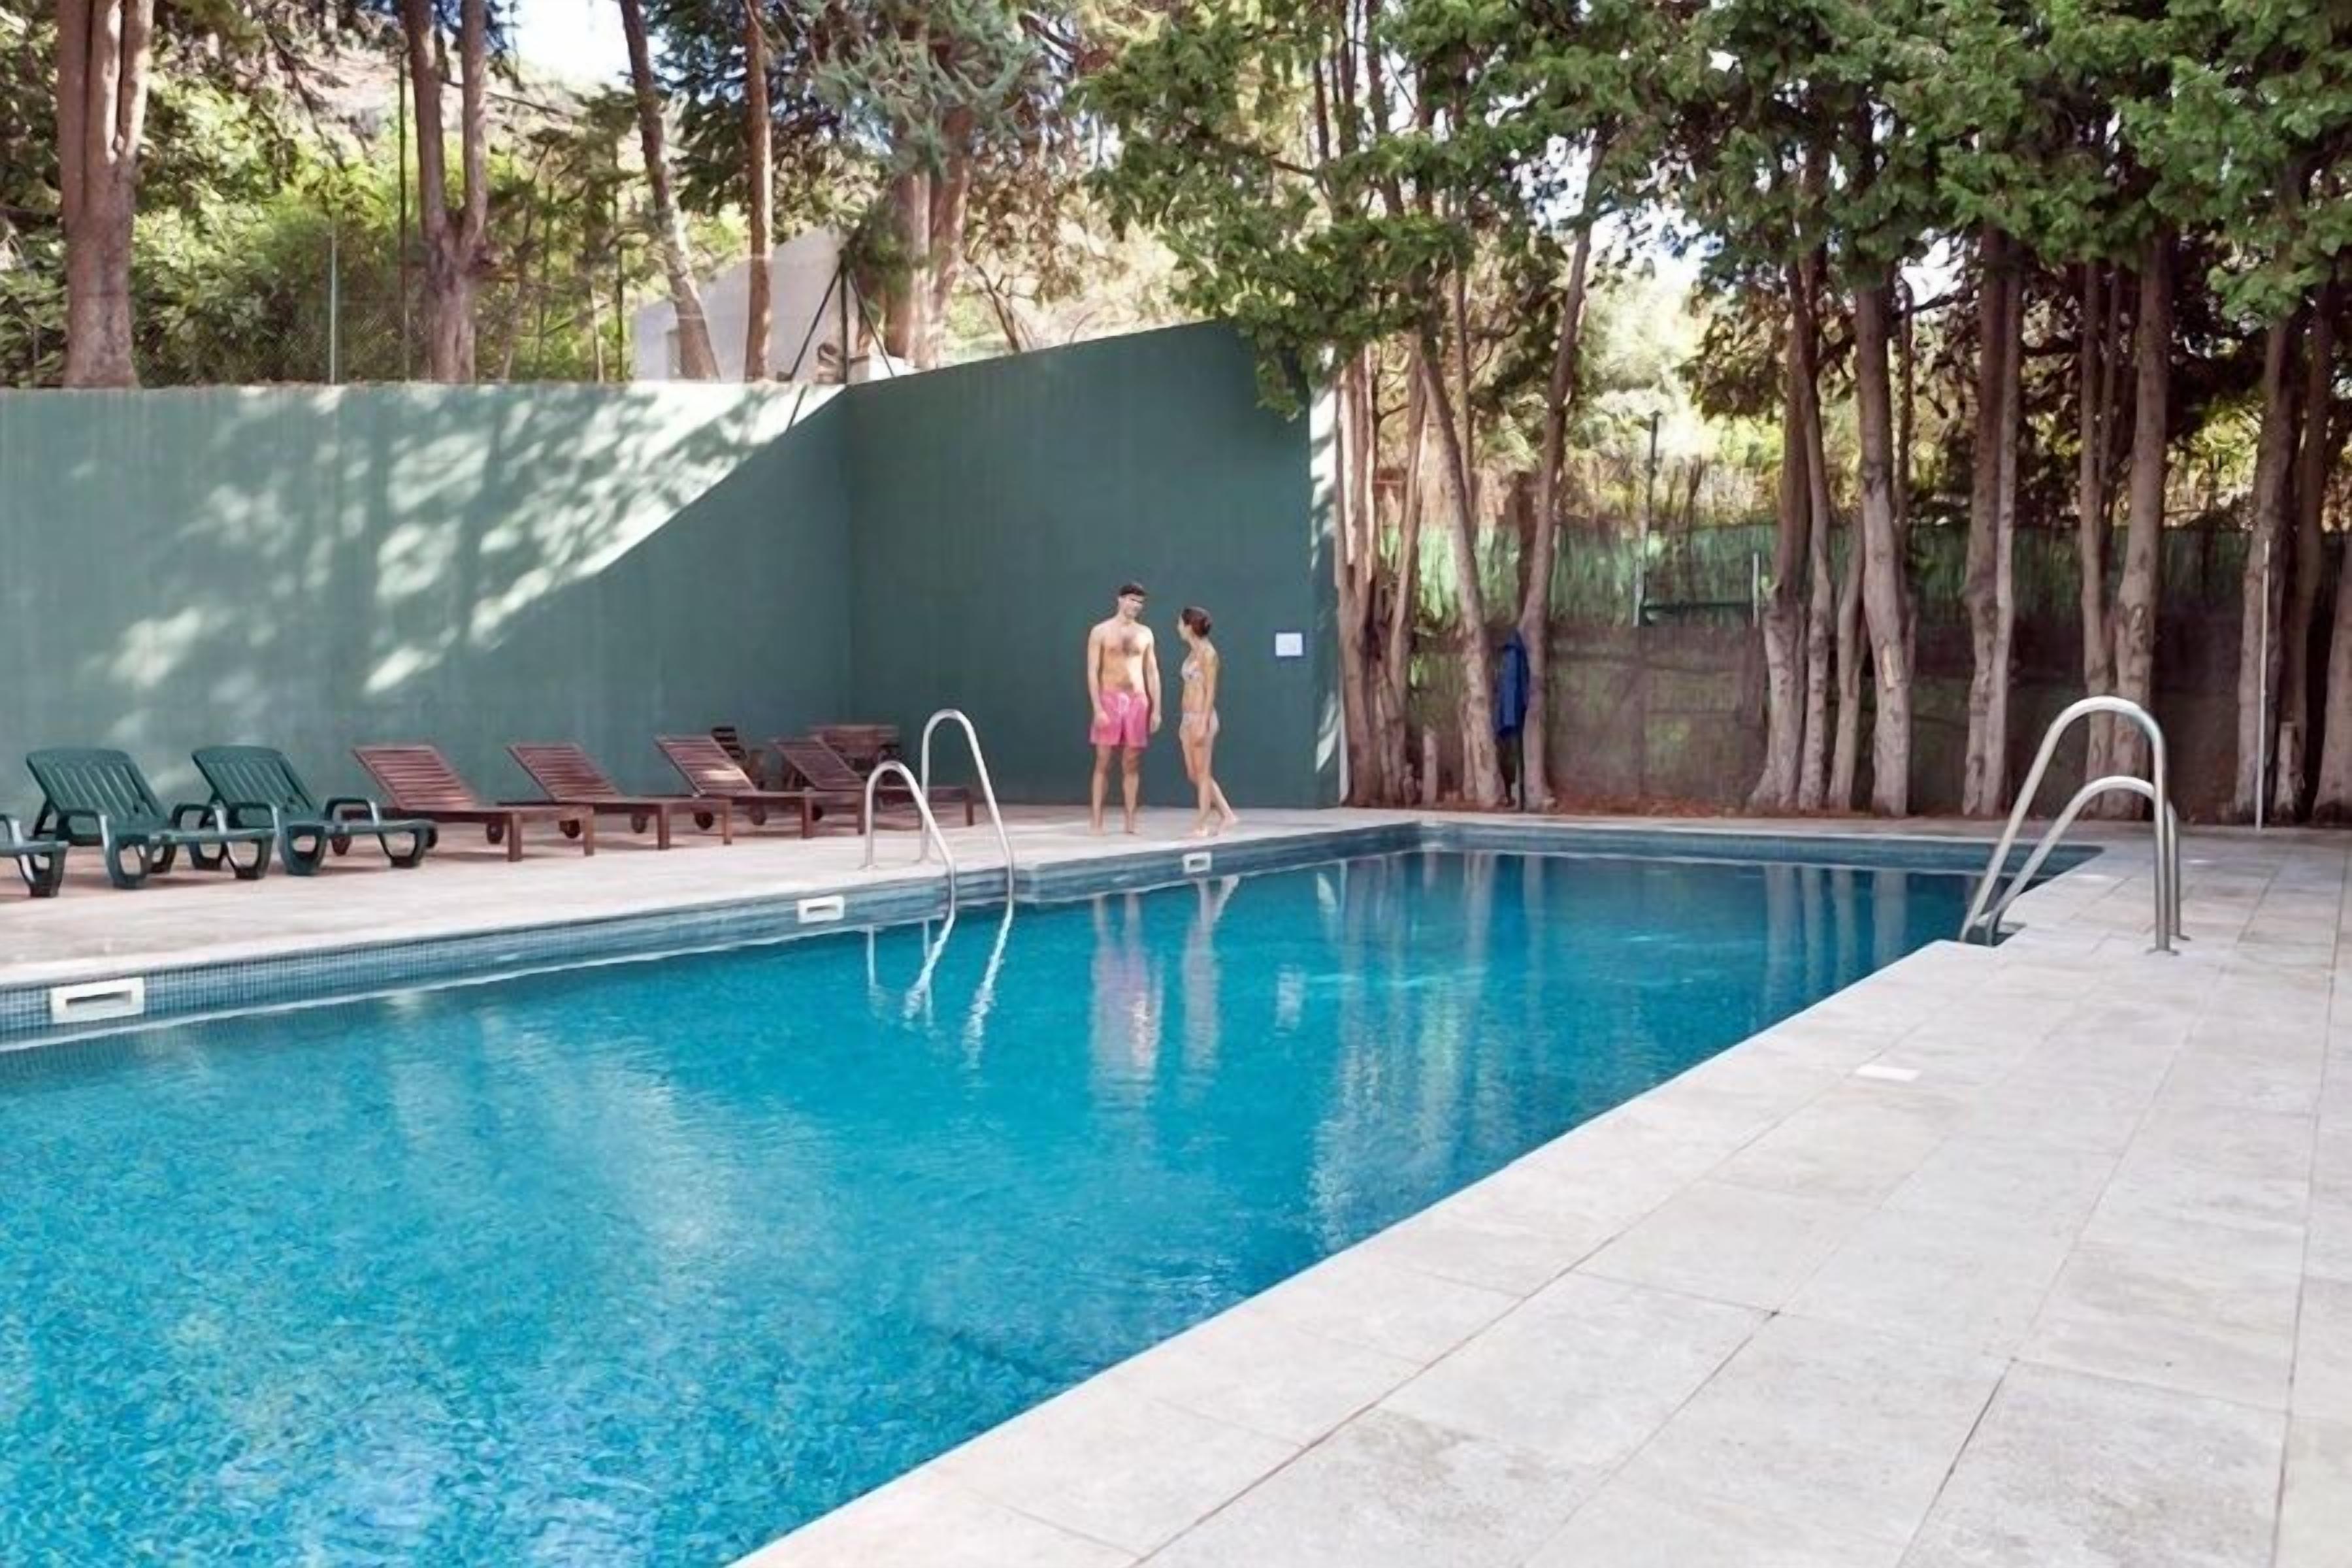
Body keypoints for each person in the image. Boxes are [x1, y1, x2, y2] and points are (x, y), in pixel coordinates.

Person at [1086, 581, 1162, 834]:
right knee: (1103, 760)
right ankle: (1097, 821)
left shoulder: (1146, 633)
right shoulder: (1100, 631)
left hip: (1137, 700)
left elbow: (1152, 671)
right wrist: (1098, 707)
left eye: (1140, 602)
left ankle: (1130, 821)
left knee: (1132, 761)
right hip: (1109, 698)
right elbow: (1092, 671)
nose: (1135, 606)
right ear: (1119, 600)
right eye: (1131, 600)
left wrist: (1157, 708)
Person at [1177, 605, 1239, 838]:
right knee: (1194, 773)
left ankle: (1201, 823)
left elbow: (1211, 689)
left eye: (1180, 623)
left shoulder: (1208, 654)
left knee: (1203, 773)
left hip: (1202, 717)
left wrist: (1202, 721)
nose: (1178, 628)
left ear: (1189, 626)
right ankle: (1227, 814)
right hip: (1188, 718)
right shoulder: (1192, 653)